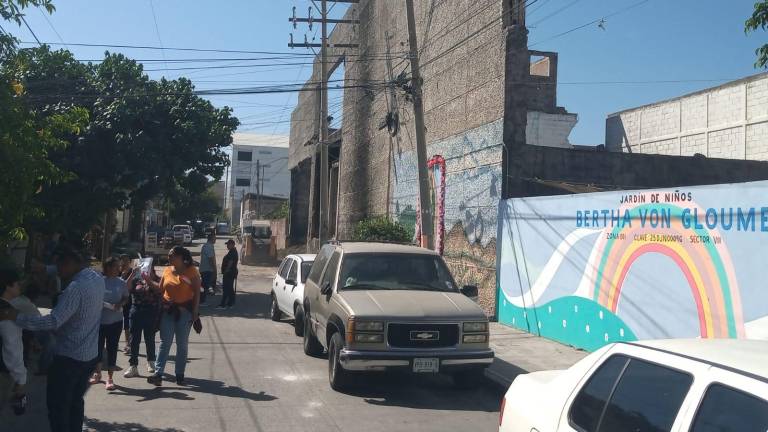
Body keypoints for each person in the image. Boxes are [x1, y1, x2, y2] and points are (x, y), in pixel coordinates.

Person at [0, 246, 104, 432]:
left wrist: (16, 317)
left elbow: (53, 321)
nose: (58, 275)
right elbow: (63, 267)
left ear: (68, 265)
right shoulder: (95, 277)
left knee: (58, 408)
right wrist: (45, 268)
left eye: (59, 268)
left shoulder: (75, 288)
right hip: (88, 356)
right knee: (75, 403)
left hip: (68, 359)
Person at [144, 246, 200, 386]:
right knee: (165, 342)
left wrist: (194, 312)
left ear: (181, 257)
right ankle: (158, 374)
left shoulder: (192, 271)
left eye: (172, 255)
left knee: (182, 345)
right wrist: (148, 280)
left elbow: (197, 293)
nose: (169, 257)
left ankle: (179, 375)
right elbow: (160, 288)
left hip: (185, 312)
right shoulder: (168, 270)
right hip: (168, 311)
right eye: (169, 255)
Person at [89, 257, 129, 391]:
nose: (118, 268)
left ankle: (110, 377)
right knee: (98, 347)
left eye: (119, 266)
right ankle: (97, 373)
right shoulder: (99, 281)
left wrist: (120, 304)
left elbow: (126, 297)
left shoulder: (121, 282)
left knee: (112, 348)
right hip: (99, 321)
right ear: (108, 268)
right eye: (115, 266)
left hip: (115, 321)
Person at [123, 260, 161, 378]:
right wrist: (133, 273)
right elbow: (126, 288)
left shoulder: (158, 279)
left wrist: (149, 279)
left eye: (148, 267)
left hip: (150, 311)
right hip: (136, 311)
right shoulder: (136, 279)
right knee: (134, 340)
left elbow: (159, 290)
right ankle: (133, 366)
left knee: (149, 338)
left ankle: (151, 362)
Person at [0, 269, 27, 414]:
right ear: (7, 286)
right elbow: (12, 347)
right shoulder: (7, 313)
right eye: (16, 284)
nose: (19, 286)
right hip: (3, 371)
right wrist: (20, 378)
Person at [217, 239, 238, 310]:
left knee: (226, 288)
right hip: (230, 273)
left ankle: (223, 304)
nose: (227, 246)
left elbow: (230, 263)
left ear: (232, 244)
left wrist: (226, 271)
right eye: (227, 244)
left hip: (229, 273)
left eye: (228, 244)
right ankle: (230, 303)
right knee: (229, 288)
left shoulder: (232, 252)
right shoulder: (232, 251)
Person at [119, 255, 133, 355]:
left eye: (126, 260)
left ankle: (128, 344)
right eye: (122, 260)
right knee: (122, 324)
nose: (124, 262)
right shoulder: (118, 272)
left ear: (130, 261)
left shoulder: (134, 271)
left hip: (130, 300)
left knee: (128, 323)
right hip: (119, 301)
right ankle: (127, 343)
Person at [199, 234, 217, 307]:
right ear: (211, 239)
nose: (215, 240)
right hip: (206, 269)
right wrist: (214, 269)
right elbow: (211, 259)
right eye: (214, 238)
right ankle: (202, 301)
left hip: (206, 269)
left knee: (205, 285)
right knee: (204, 286)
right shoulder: (208, 246)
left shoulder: (208, 246)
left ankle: (202, 300)